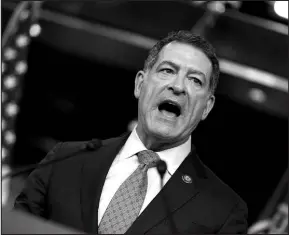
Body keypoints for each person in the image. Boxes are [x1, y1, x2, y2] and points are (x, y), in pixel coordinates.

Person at [14, 30, 248, 234]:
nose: (177, 87)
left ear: (206, 107)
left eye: (195, 80)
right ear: (139, 84)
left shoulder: (224, 210)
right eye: (167, 70)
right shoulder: (64, 161)